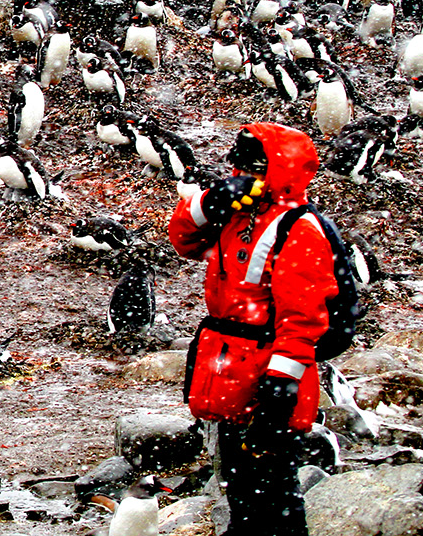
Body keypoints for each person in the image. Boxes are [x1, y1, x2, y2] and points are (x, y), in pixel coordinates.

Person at [169, 123, 336, 536]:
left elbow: (302, 321)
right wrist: (209, 201)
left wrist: (279, 391)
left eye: (254, 168)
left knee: (274, 494)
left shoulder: (298, 228)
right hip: (230, 373)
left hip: (267, 379)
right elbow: (183, 240)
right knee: (240, 486)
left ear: (278, 170)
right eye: (239, 166)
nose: (243, 174)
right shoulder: (238, 214)